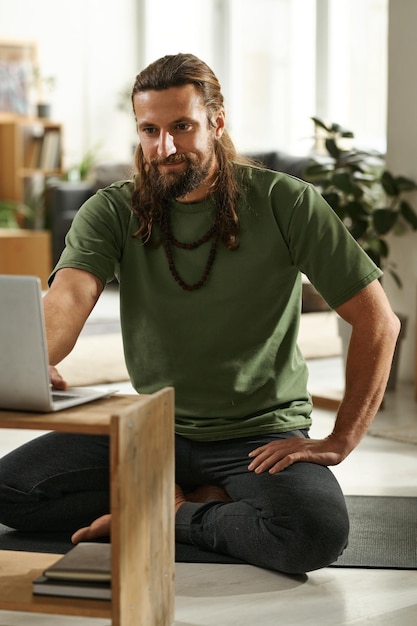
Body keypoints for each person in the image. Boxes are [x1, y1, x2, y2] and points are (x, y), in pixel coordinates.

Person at [0, 53, 400, 575]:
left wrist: (342, 437)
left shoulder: (288, 203)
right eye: (150, 130)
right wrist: (31, 363)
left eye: (182, 127)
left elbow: (378, 321)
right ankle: (200, 503)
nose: (164, 148)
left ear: (216, 122)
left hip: (257, 435)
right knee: (10, 494)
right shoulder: (112, 209)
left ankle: (170, 513)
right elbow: (71, 298)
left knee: (313, 534)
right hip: (147, 427)